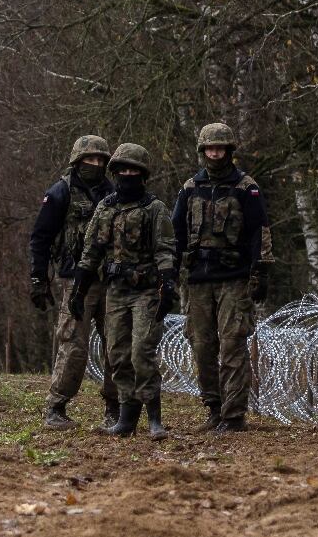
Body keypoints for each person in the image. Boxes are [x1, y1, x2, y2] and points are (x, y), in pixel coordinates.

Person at [70, 143, 176, 439]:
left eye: (133, 171)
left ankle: (154, 417)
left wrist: (167, 285)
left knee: (142, 351)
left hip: (145, 291)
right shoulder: (105, 208)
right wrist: (78, 289)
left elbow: (165, 250)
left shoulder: (154, 209)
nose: (127, 175)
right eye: (122, 171)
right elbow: (91, 251)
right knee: (117, 354)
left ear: (142, 175)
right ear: (115, 173)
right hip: (115, 291)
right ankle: (127, 418)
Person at [172, 122, 266, 434]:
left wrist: (260, 271)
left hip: (234, 279)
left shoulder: (245, 188)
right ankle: (213, 408)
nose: (215, 153)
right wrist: (168, 275)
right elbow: (176, 235)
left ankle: (234, 415)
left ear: (229, 151)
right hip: (199, 279)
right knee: (202, 347)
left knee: (232, 346)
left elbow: (259, 232)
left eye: (220, 148)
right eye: (210, 148)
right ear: (202, 151)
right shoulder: (190, 188)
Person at [29, 135, 118, 430]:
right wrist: (38, 278)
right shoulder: (60, 193)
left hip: (111, 279)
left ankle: (114, 407)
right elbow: (40, 238)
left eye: (100, 160)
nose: (95, 164)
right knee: (73, 344)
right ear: (78, 161)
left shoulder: (113, 193)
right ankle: (56, 406)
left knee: (116, 344)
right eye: (90, 159)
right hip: (74, 280)